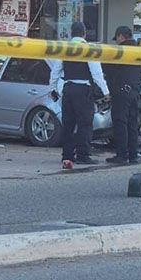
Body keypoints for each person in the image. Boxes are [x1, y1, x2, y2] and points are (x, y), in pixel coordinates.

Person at [49, 21, 109, 169]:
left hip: (68, 89)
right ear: (84, 33)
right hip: (83, 90)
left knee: (68, 124)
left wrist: (53, 89)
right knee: (85, 124)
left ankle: (67, 156)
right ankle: (83, 155)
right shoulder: (88, 49)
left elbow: (55, 72)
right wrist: (106, 92)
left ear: (71, 33)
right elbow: (97, 74)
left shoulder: (65, 49)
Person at [104, 26, 141, 164]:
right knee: (132, 124)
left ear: (121, 36)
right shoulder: (139, 51)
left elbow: (109, 71)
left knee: (120, 123)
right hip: (134, 91)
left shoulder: (120, 51)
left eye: (117, 39)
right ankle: (133, 154)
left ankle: (121, 155)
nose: (117, 42)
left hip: (121, 92)